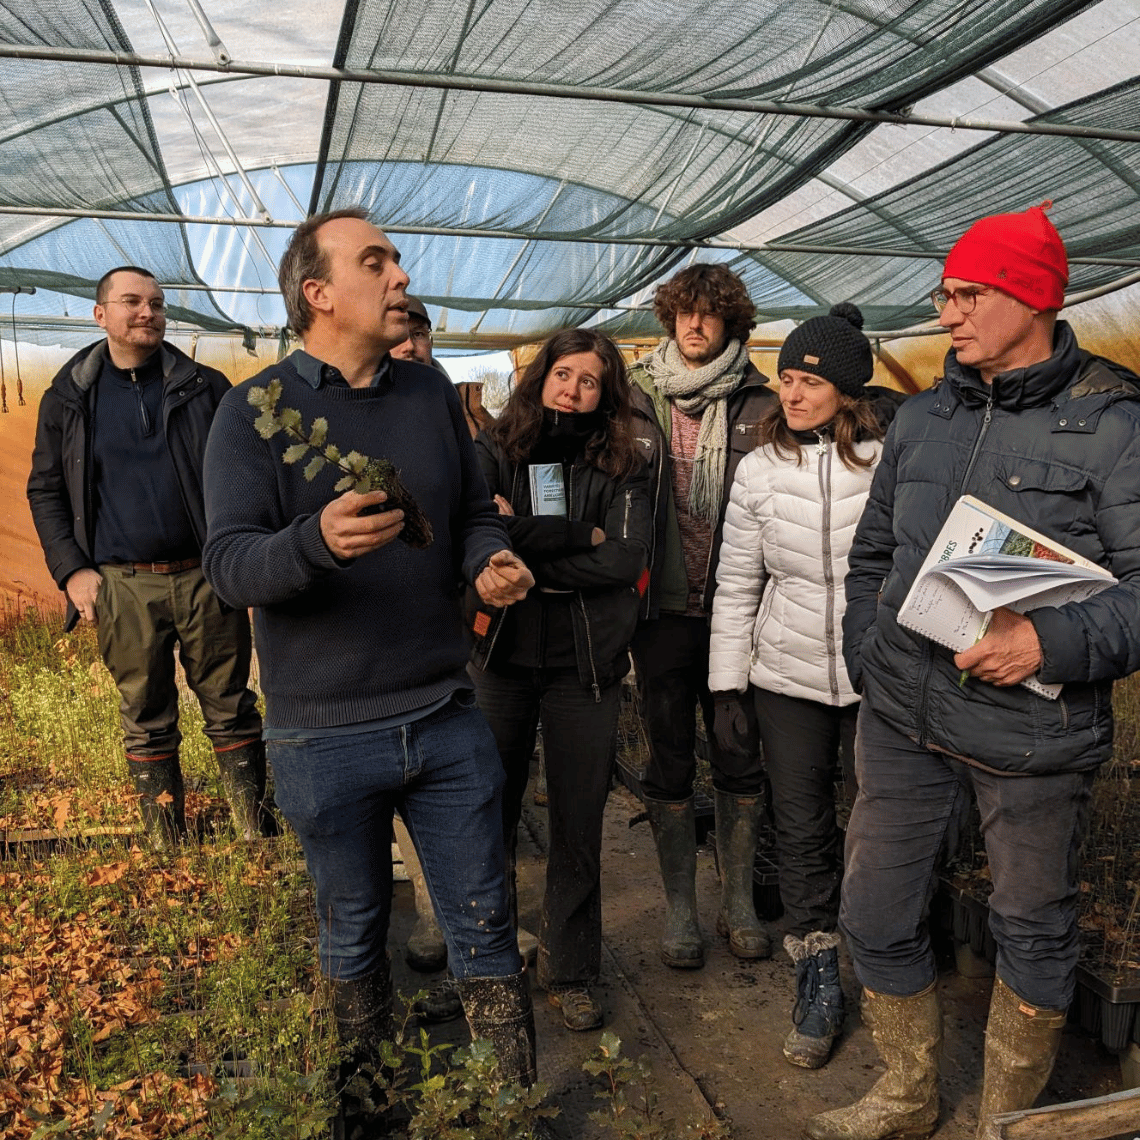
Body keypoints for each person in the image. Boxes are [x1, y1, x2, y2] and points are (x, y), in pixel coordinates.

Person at [805, 203, 1140, 1140]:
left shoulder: (1113, 426)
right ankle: (908, 1096)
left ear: (1030, 297)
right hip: (904, 714)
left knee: (1033, 928)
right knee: (871, 908)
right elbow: (872, 552)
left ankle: (1002, 1120)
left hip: (1032, 734)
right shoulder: (924, 416)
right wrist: (865, 653)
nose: (944, 312)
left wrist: (1049, 646)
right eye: (942, 293)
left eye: (965, 293)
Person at [200, 208, 540, 1130]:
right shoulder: (252, 412)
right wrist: (314, 541)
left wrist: (486, 559)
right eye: (376, 262)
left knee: (485, 922)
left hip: (443, 712)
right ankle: (363, 1111)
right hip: (321, 733)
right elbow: (229, 567)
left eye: (396, 259)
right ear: (318, 294)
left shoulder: (429, 395)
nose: (401, 277)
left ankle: (507, 1110)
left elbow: (473, 508)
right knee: (352, 930)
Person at [708, 303, 903, 1069]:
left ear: (847, 389)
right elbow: (736, 584)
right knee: (801, 828)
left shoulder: (889, 461)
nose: (790, 394)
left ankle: (891, 974)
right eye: (784, 379)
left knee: (882, 828)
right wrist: (728, 689)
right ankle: (818, 976)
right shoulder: (760, 469)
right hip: (785, 678)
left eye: (807, 381)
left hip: (875, 676)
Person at [26, 266, 268, 850]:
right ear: (100, 314)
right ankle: (167, 842)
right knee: (145, 709)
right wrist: (73, 571)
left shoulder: (206, 387)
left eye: (157, 304)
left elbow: (247, 473)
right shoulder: (69, 397)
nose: (148, 313)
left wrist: (242, 552)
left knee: (231, 706)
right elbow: (46, 489)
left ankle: (257, 834)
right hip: (123, 584)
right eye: (132, 302)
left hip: (207, 576)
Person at [468, 328, 651, 1031]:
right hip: (501, 660)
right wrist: (582, 535)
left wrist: (529, 548)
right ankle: (492, 955)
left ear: (608, 394)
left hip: (587, 665)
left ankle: (570, 968)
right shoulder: (492, 451)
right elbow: (482, 533)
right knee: (490, 813)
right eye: (563, 374)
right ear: (540, 376)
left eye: (590, 381)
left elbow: (623, 561)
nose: (572, 389)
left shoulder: (625, 464)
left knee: (578, 819)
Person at [627, 262, 777, 969]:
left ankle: (740, 903)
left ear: (730, 323)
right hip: (660, 610)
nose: (695, 324)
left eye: (709, 313)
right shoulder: (633, 398)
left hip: (734, 608)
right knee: (668, 752)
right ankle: (682, 910)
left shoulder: (760, 402)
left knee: (740, 749)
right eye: (684, 311)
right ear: (668, 318)